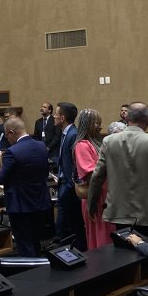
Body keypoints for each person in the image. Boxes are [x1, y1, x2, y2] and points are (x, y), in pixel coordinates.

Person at [86, 103, 148, 233]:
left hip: (119, 212)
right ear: (147, 121)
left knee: (123, 245)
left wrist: (91, 205)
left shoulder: (108, 141)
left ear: (127, 119)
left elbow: (97, 177)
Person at [0, 117, 51, 256]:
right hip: (39, 202)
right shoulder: (41, 146)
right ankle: (40, 266)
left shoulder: (12, 152)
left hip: (20, 206)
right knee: (36, 240)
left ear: (11, 132)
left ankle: (31, 268)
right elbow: (45, 173)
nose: (7, 139)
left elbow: (1, 179)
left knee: (25, 244)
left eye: (6, 135)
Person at [74, 109, 115, 250]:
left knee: (108, 236)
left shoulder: (96, 143)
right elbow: (92, 176)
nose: (100, 127)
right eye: (97, 123)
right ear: (88, 124)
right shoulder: (82, 145)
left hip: (106, 197)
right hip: (95, 198)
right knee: (100, 239)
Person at [55, 101, 86, 250]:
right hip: (64, 184)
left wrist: (68, 186)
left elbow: (75, 165)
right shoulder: (66, 133)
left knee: (73, 224)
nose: (54, 117)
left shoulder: (73, 135)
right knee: (65, 224)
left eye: (56, 114)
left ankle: (77, 251)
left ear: (62, 118)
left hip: (69, 187)